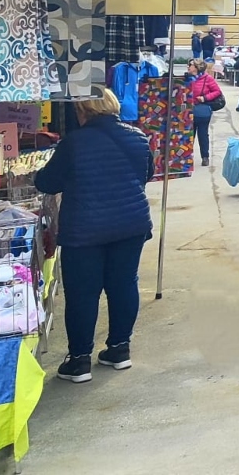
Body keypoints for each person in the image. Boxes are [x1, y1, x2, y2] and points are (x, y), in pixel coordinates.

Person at [34, 85, 152, 383]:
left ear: (82, 110)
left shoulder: (74, 143)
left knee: (83, 293)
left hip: (85, 230)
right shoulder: (138, 137)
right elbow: (146, 175)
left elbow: (48, 182)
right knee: (124, 284)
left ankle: (79, 361)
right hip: (131, 224)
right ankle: (119, 349)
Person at [186, 59, 223, 168]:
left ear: (197, 67)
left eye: (191, 65)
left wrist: (205, 98)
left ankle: (205, 157)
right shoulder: (186, 78)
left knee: (202, 135)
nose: (188, 67)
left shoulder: (207, 79)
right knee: (188, 135)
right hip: (187, 111)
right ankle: (187, 157)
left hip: (202, 111)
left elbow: (217, 92)